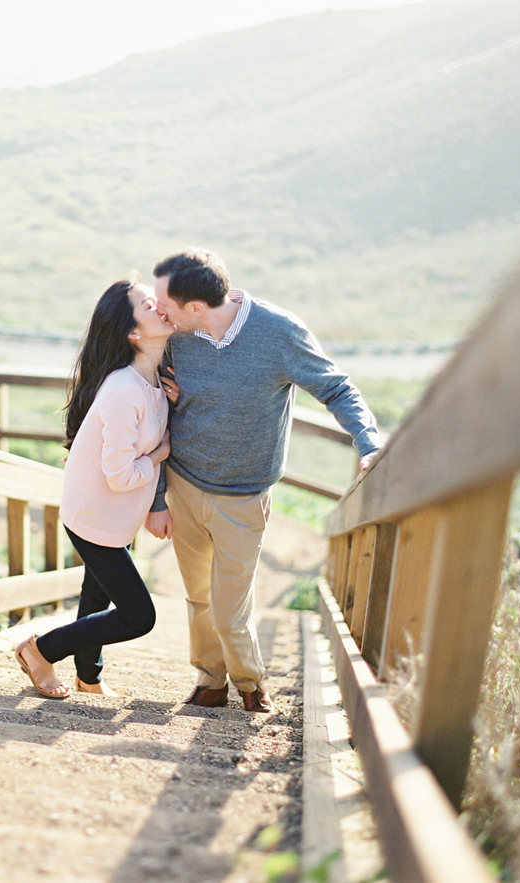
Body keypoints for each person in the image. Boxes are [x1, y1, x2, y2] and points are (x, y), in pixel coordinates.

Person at [144, 248, 383, 713]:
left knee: (229, 607)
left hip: (244, 495)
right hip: (184, 484)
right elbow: (157, 413)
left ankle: (251, 684)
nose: (159, 311)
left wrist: (368, 441)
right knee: (198, 596)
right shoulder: (176, 336)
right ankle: (210, 681)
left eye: (165, 303)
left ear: (195, 307)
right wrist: (157, 497)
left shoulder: (277, 332)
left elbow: (336, 386)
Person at [15, 277, 174, 699]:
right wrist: (160, 454)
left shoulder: (154, 384)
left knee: (96, 593)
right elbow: (120, 474)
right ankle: (40, 649)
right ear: (133, 333)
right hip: (93, 517)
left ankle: (90, 678)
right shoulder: (124, 389)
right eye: (147, 304)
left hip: (113, 518)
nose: (160, 305)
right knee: (139, 615)